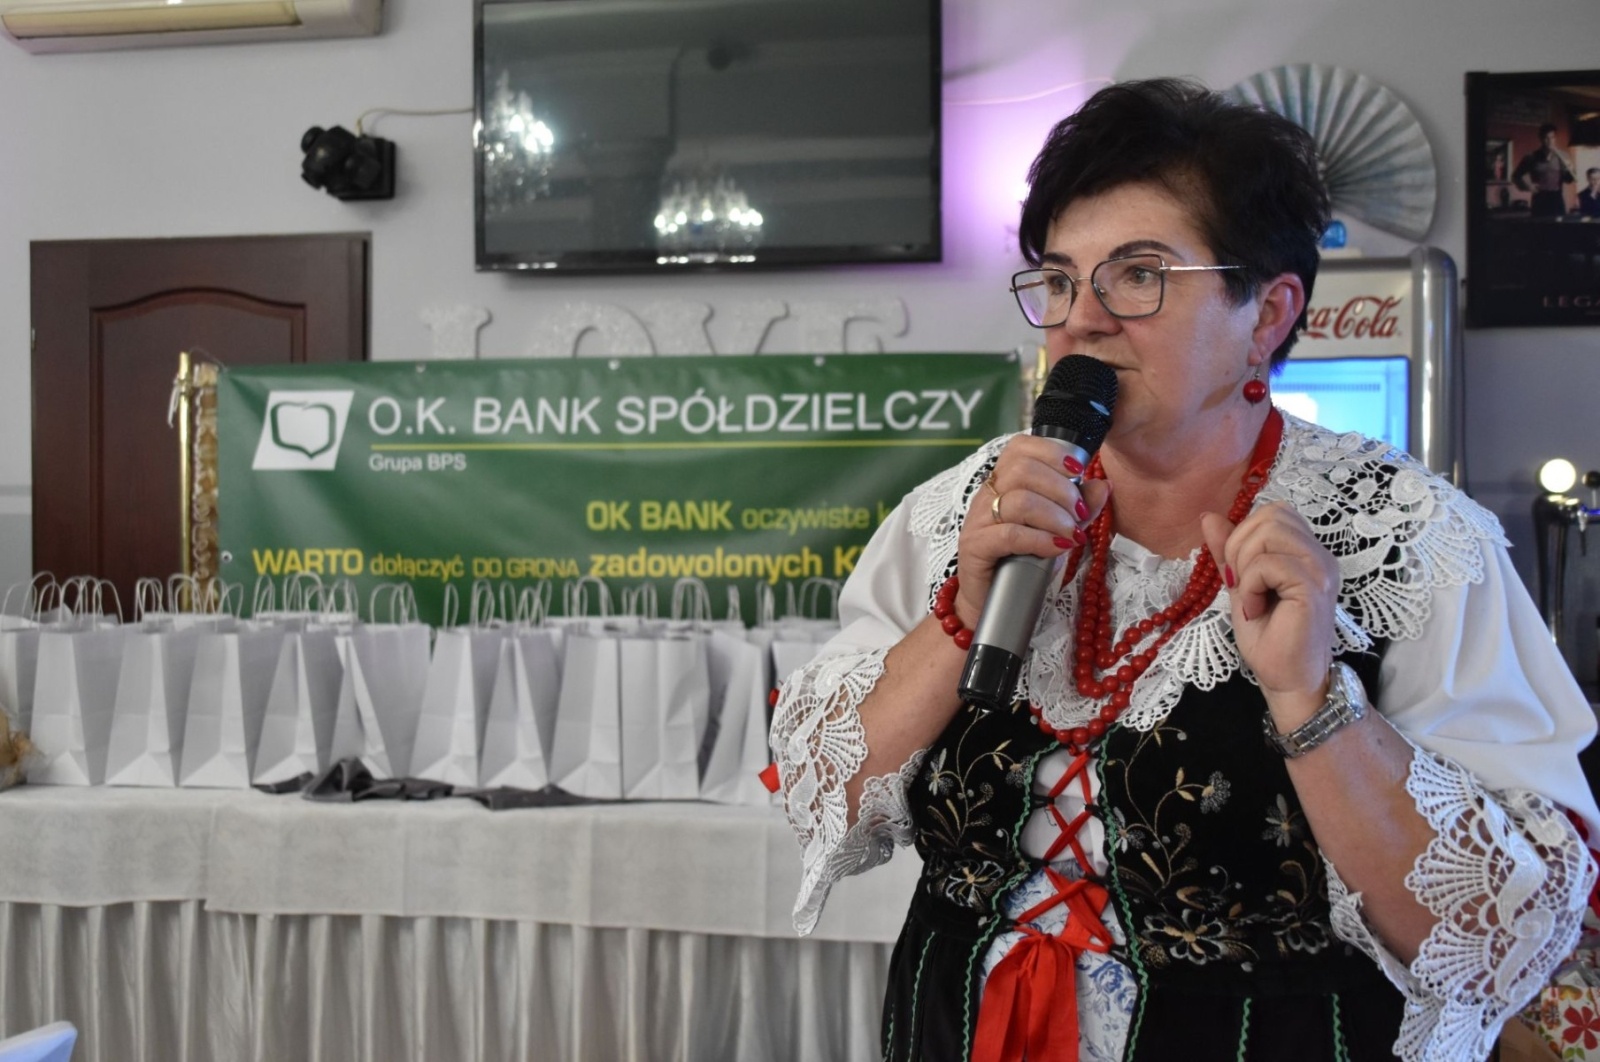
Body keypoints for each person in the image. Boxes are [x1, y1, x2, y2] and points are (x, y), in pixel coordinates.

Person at [771, 78, 1599, 1062]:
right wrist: (958, 617)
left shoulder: (1408, 540)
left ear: (1268, 313)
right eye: (1059, 280)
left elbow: (1491, 940)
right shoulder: (962, 511)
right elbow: (822, 806)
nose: (1080, 320)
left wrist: (1312, 699)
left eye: (1138, 274)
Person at [1512, 123, 1576, 217]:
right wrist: (1528, 186)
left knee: (1559, 226)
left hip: (1557, 199)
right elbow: (1516, 176)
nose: (1550, 141)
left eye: (1552, 137)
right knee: (1540, 226)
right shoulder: (1531, 157)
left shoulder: (1563, 156)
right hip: (1539, 199)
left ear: (1555, 139)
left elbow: (1568, 180)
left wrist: (1571, 171)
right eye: (1546, 138)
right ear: (1541, 139)